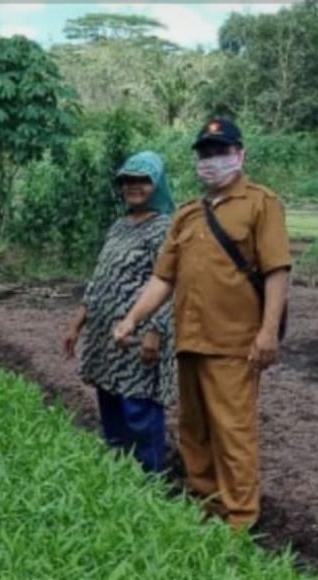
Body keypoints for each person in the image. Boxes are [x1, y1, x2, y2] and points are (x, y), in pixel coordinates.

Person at [114, 118, 291, 529]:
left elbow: (276, 271)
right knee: (194, 431)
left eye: (220, 152)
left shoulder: (261, 204)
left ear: (240, 154)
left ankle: (240, 522)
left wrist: (268, 333)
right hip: (190, 341)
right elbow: (163, 278)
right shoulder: (188, 214)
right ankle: (206, 510)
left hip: (234, 344)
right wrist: (132, 319)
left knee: (233, 432)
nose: (212, 160)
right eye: (205, 153)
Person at [63, 151, 176, 473]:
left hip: (138, 337)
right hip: (106, 336)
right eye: (127, 180)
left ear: (158, 185)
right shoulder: (120, 225)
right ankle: (119, 476)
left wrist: (155, 330)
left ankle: (150, 477)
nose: (133, 186)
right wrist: (77, 323)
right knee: (110, 401)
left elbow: (171, 283)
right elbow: (101, 277)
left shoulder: (166, 228)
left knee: (138, 407)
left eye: (143, 180)